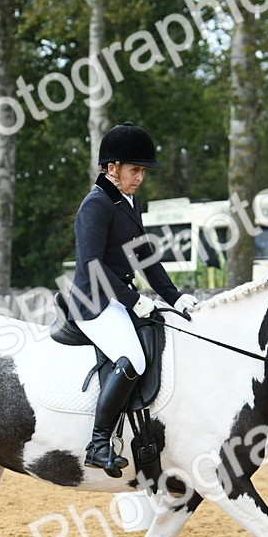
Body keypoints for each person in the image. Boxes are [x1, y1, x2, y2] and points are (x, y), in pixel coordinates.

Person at [69, 122, 199, 474]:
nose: (140, 177)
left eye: (142, 170)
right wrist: (133, 300)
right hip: (93, 302)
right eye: (134, 169)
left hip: (116, 298)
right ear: (112, 168)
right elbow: (92, 266)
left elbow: (143, 256)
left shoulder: (126, 201)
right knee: (134, 358)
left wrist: (175, 297)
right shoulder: (96, 205)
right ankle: (98, 444)